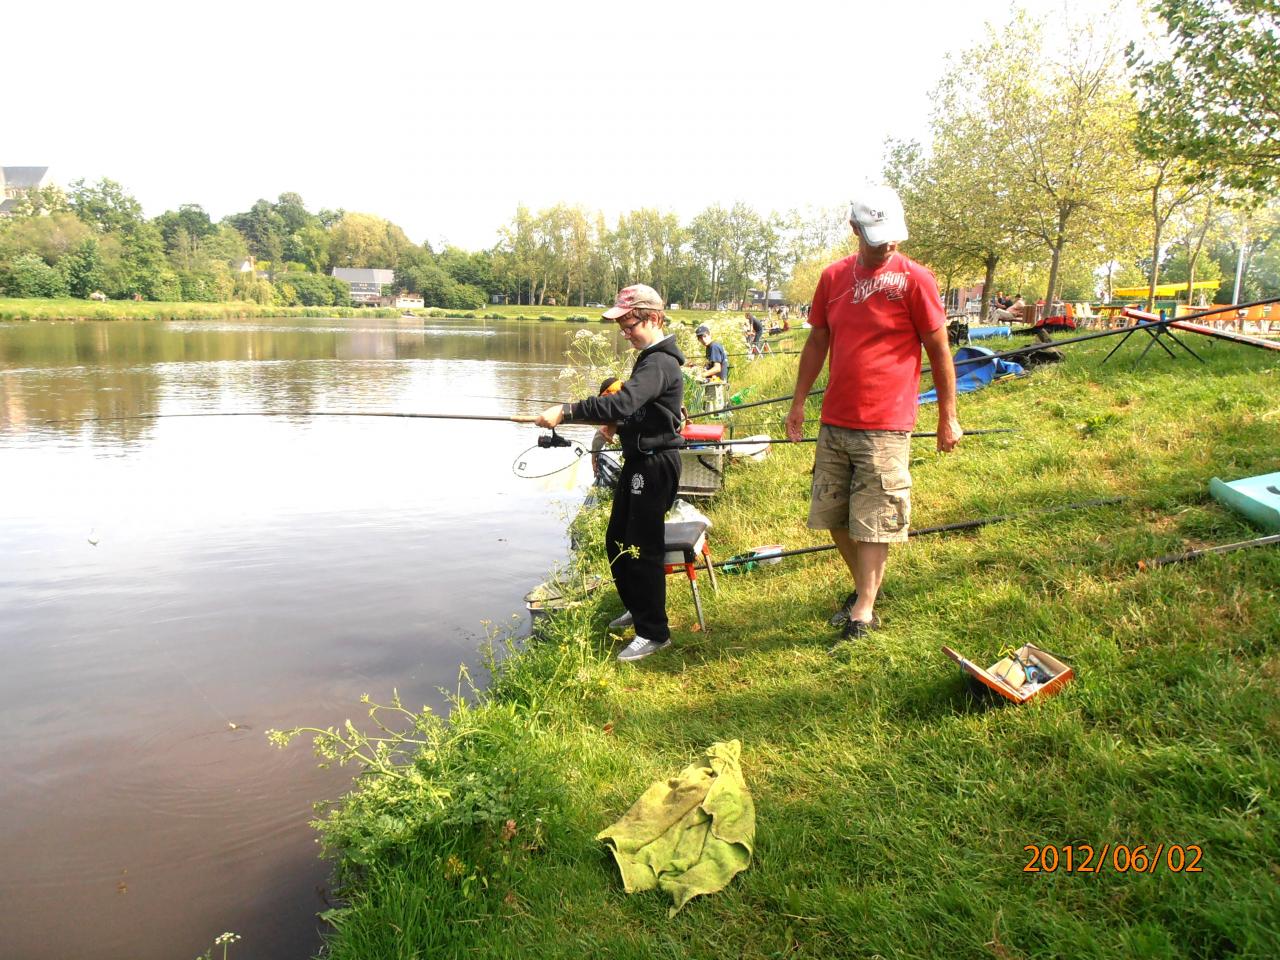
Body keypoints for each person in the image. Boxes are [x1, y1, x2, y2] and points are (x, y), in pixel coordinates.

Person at [784, 184, 962, 649]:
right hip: (836, 418)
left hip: (887, 422)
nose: (888, 244)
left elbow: (939, 350)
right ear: (855, 229)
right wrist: (800, 401)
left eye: (893, 235)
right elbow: (818, 341)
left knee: (877, 517)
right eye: (877, 236)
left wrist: (948, 416)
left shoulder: (916, 278)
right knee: (833, 514)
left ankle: (863, 610)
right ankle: (867, 588)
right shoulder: (833, 278)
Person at [536, 284, 686, 662]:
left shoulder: (660, 362)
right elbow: (628, 409)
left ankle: (654, 633)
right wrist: (597, 420)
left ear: (652, 318)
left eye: (629, 324)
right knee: (617, 541)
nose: (625, 332)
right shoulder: (649, 358)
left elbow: (625, 399)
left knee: (642, 549)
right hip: (639, 462)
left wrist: (566, 410)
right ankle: (639, 611)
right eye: (621, 327)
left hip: (655, 466)